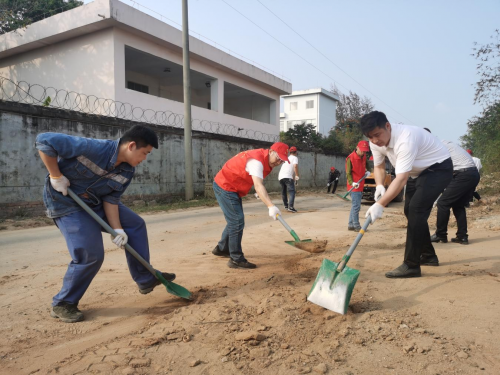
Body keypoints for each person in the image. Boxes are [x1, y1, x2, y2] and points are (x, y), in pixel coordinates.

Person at [35, 126, 175, 323]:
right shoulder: (93, 148)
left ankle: (145, 278)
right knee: (91, 254)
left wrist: (117, 229)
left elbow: (111, 199)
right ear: (132, 145)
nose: (144, 158)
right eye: (144, 153)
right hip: (66, 203)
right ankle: (63, 303)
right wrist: (56, 176)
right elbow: (45, 140)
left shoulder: (127, 171)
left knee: (135, 224)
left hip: (95, 202)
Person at [360, 111, 452, 278]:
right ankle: (428, 256)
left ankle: (411, 265)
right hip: (415, 172)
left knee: (417, 210)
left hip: (438, 169)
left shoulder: (405, 138)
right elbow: (379, 166)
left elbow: (401, 178)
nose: (374, 141)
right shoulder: (375, 142)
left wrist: (381, 204)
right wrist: (380, 185)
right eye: (369, 137)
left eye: (377, 135)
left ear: (387, 126)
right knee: (410, 211)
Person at [212, 142, 290, 269]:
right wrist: (270, 205)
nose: (278, 163)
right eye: (278, 158)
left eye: (282, 161)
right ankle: (236, 259)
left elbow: (255, 181)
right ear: (271, 151)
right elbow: (259, 185)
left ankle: (222, 248)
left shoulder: (266, 160)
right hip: (225, 186)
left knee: (234, 220)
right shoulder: (257, 161)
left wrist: (260, 193)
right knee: (236, 221)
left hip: (233, 187)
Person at [431, 140, 480, 245]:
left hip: (463, 175)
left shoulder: (437, 146)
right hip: (472, 174)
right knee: (458, 205)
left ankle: (440, 235)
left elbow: (439, 168)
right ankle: (462, 237)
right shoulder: (448, 144)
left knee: (443, 203)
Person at [346, 140, 370, 231]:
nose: (363, 152)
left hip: (360, 184)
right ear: (357, 148)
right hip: (354, 185)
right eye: (362, 150)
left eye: (365, 151)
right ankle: (356, 226)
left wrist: (368, 171)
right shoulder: (350, 158)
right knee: (356, 206)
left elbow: (367, 165)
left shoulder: (363, 157)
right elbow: (348, 173)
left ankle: (351, 225)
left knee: (354, 205)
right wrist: (352, 182)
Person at [279, 146, 300, 213]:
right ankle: (290, 207)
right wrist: (297, 175)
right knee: (292, 191)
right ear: (296, 152)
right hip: (287, 177)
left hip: (281, 177)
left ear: (289, 152)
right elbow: (295, 166)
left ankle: (286, 206)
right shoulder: (295, 158)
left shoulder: (286, 158)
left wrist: (293, 177)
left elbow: (287, 168)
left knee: (284, 191)